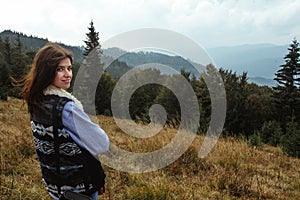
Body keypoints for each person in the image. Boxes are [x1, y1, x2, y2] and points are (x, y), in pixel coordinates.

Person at [19, 43, 110, 200]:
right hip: (78, 189)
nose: (67, 74)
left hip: (55, 185)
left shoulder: (37, 100)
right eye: (60, 69)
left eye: (69, 68)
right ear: (46, 71)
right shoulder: (66, 108)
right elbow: (101, 143)